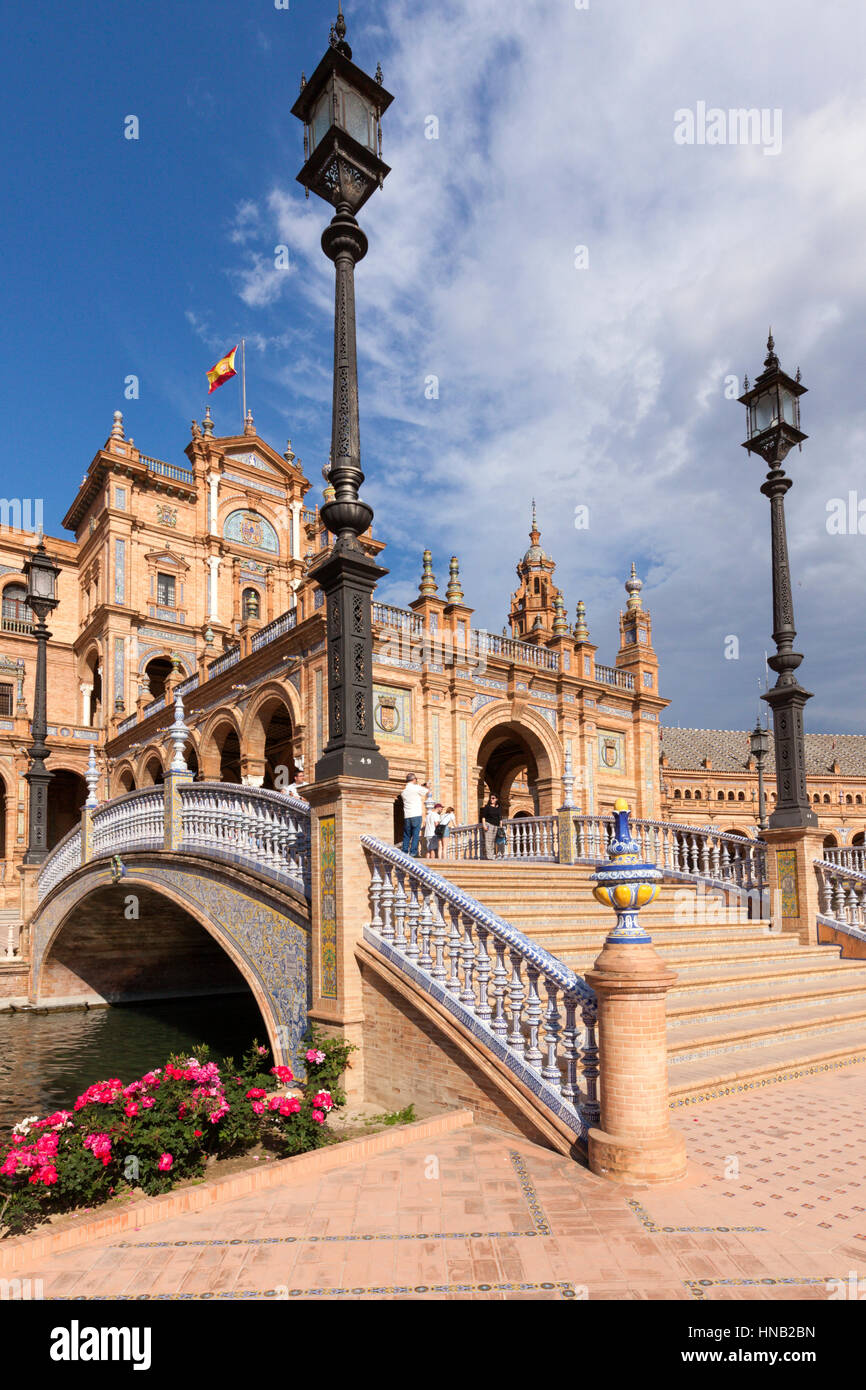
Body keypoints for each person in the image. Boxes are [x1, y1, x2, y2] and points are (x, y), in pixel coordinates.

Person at [401, 773, 426, 857]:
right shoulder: (416, 788)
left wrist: (420, 786)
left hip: (407, 815)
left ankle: (404, 851)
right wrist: (426, 786)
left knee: (407, 835)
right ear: (414, 779)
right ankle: (413, 852)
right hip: (416, 814)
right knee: (415, 834)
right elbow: (426, 791)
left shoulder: (403, 791)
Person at [479, 793, 502, 859]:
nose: (491, 799)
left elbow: (500, 818)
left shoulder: (498, 808)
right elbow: (483, 817)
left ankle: (492, 855)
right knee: (488, 841)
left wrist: (500, 827)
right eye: (491, 798)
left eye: (493, 798)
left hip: (496, 826)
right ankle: (489, 857)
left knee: (493, 841)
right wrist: (484, 825)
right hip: (488, 825)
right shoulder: (487, 807)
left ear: (496, 799)